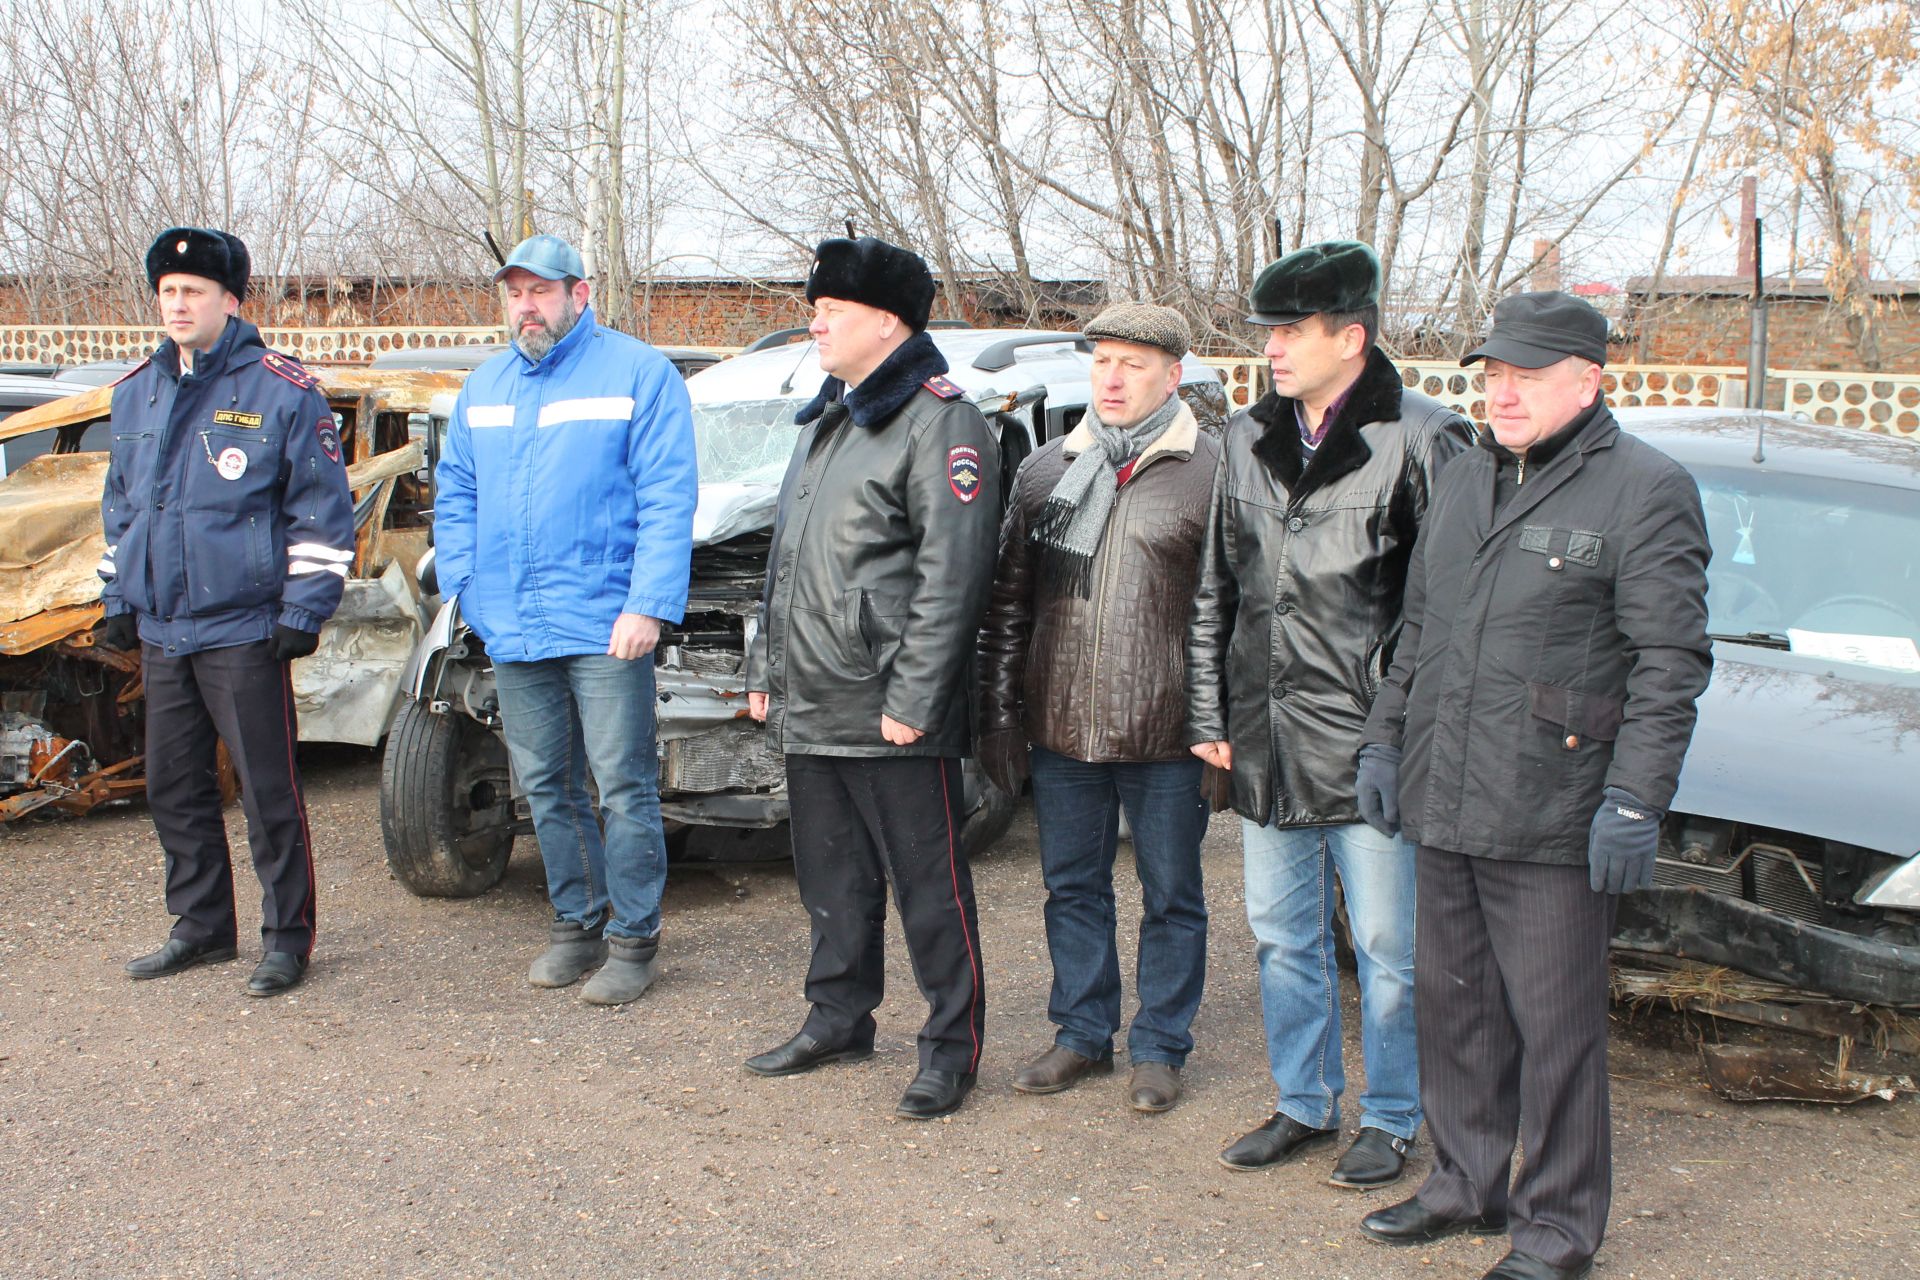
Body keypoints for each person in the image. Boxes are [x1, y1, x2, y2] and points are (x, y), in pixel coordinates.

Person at [1353, 292, 1711, 1280]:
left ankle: (1556, 1226)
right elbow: (1416, 632)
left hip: (1555, 808)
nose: (1500, 393)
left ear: (1586, 381)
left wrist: (1636, 799)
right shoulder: (1466, 476)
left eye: (1524, 375)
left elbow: (1670, 659)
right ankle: (1468, 1183)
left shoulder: (1646, 489)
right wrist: (1385, 745)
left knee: (1556, 1032)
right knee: (1455, 1007)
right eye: (1492, 374)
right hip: (1448, 793)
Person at [1186, 240, 1473, 1187]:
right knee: (1280, 935)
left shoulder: (1424, 437)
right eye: (1269, 329)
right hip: (1265, 736)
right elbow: (1213, 589)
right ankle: (1303, 1103)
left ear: (1352, 336)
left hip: (1372, 743)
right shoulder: (1242, 439)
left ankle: (1391, 1117)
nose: (1273, 347)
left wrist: (1404, 729)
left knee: (1391, 950)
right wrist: (1208, 709)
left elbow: (1448, 614)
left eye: (1294, 330)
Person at [741, 235, 999, 1120]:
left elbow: (953, 577)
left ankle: (950, 1048)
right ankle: (838, 1016)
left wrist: (916, 702)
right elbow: (786, 563)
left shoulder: (940, 420)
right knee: (832, 881)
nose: (814, 321)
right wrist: (766, 668)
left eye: (832, 310)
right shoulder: (830, 417)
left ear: (886, 321)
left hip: (890, 706)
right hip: (814, 695)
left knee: (931, 889)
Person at [434, 233, 698, 1006]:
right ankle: (575, 923)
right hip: (514, 623)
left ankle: (634, 940)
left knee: (622, 786)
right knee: (545, 784)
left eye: (541, 291)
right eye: (514, 292)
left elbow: (667, 496)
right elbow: (455, 498)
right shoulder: (484, 388)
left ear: (580, 295)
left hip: (606, 622)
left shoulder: (637, 374)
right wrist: (468, 591)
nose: (526, 305)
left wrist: (648, 603)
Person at [976, 302, 1216, 1113]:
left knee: (1171, 893)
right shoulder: (1047, 470)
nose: (1112, 378)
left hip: (1167, 729)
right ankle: (1082, 1034)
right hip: (1061, 726)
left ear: (1172, 375)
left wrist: (1219, 727)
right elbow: (1009, 603)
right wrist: (1001, 714)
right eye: (1102, 361)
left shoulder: (1212, 473)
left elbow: (1232, 615)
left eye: (1133, 364)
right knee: (1072, 888)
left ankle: (1159, 1045)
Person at [104, 226, 356, 997]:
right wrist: (118, 593)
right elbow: (122, 509)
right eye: (168, 292)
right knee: (173, 790)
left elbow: (322, 509)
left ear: (230, 302)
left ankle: (288, 939)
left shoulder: (281, 389)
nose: (178, 304)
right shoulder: (135, 390)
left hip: (244, 629)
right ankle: (202, 928)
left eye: (194, 293)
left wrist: (305, 607)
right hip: (163, 630)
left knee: (267, 791)